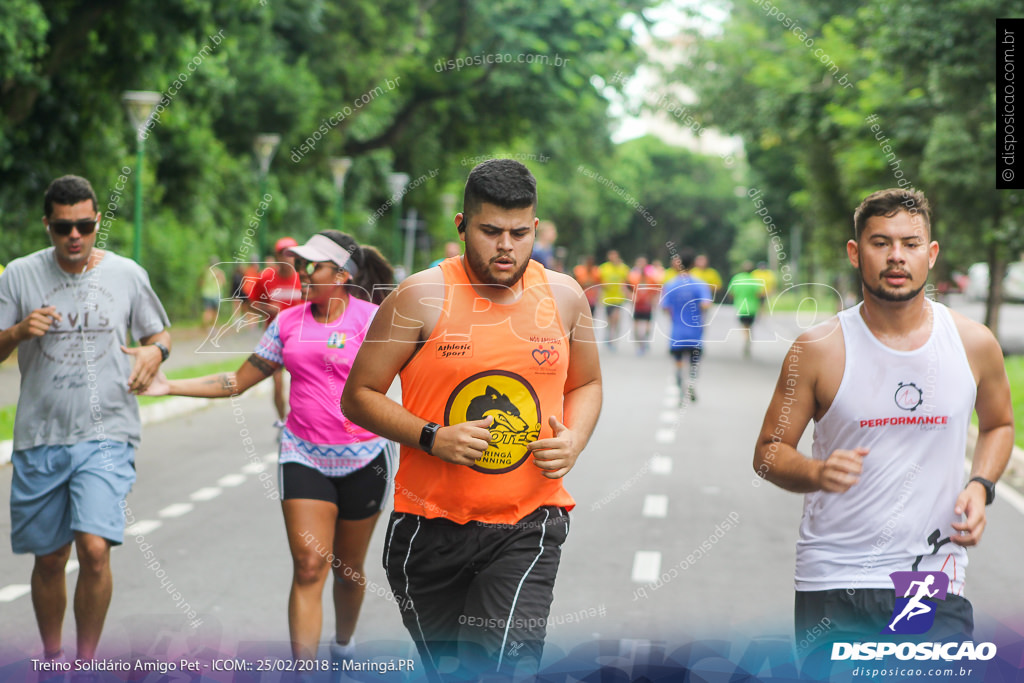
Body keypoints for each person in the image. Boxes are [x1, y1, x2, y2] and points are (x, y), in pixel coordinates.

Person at [341, 159, 602, 680]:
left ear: (535, 228)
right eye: (490, 231)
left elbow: (586, 384)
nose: (506, 246)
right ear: (462, 226)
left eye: (519, 232)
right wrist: (432, 437)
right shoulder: (420, 296)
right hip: (427, 530)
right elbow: (359, 395)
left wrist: (574, 440)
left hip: (528, 524)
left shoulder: (565, 297)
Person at [752, 189, 1013, 664]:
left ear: (930, 255)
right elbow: (768, 451)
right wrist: (816, 472)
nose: (896, 256)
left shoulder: (974, 344)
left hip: (931, 576)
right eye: (880, 242)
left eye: (910, 244)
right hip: (835, 577)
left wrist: (980, 486)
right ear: (856, 253)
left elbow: (998, 425)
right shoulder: (817, 349)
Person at [145, 230, 396, 664]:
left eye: (311, 266)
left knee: (347, 572)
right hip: (303, 456)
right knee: (309, 566)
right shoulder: (287, 323)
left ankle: (343, 646)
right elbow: (236, 382)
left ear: (340, 275)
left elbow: (413, 377)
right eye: (300, 264)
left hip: (364, 459)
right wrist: (168, 385)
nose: (300, 273)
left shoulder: (372, 321)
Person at [0, 175, 171, 664]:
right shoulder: (18, 275)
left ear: (97, 221)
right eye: (62, 227)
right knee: (51, 559)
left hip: (108, 432)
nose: (74, 236)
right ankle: (54, 660)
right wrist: (16, 331)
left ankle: (86, 664)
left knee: (95, 549)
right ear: (47, 225)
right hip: (41, 434)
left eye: (84, 225)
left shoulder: (127, 274)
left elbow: (159, 334)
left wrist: (154, 353)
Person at [248, 237, 303, 427]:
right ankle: (282, 421)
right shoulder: (266, 277)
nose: (289, 258)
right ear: (278, 256)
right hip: (276, 338)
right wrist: (268, 309)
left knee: (300, 385)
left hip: (299, 339)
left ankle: (298, 423)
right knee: (278, 384)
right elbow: (251, 303)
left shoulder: (303, 278)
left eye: (293, 254)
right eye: (285, 254)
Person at [660, 248, 712, 403]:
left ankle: (679, 375)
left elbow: (665, 307)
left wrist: (675, 315)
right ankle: (691, 382)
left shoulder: (670, 285)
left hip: (677, 331)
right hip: (695, 332)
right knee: (694, 361)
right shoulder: (700, 284)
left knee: (678, 359)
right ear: (693, 264)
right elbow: (706, 305)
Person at [727, 261, 765, 358]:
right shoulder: (755, 280)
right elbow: (759, 294)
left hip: (741, 307)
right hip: (752, 308)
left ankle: (746, 338)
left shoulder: (737, 279)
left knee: (744, 326)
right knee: (749, 325)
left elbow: (731, 293)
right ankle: (748, 338)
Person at [598, 249, 631, 350]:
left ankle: (613, 338)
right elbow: (600, 283)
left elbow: (627, 282)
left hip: (619, 298)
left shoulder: (623, 268)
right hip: (607, 299)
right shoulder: (604, 268)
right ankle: (609, 336)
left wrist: (629, 294)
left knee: (616, 318)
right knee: (609, 320)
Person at [628, 256, 661, 355]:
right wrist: (631, 296)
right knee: (636, 329)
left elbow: (657, 290)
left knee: (647, 328)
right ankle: (639, 345)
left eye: (643, 263)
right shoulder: (633, 277)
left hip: (647, 306)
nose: (641, 265)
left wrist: (654, 300)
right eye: (639, 263)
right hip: (637, 306)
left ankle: (645, 341)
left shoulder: (651, 278)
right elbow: (625, 288)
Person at [199, 256, 226, 331]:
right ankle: (212, 327)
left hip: (205, 293)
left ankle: (205, 325)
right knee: (215, 312)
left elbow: (201, 283)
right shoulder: (219, 272)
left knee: (207, 311)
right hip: (216, 294)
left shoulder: (205, 271)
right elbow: (224, 282)